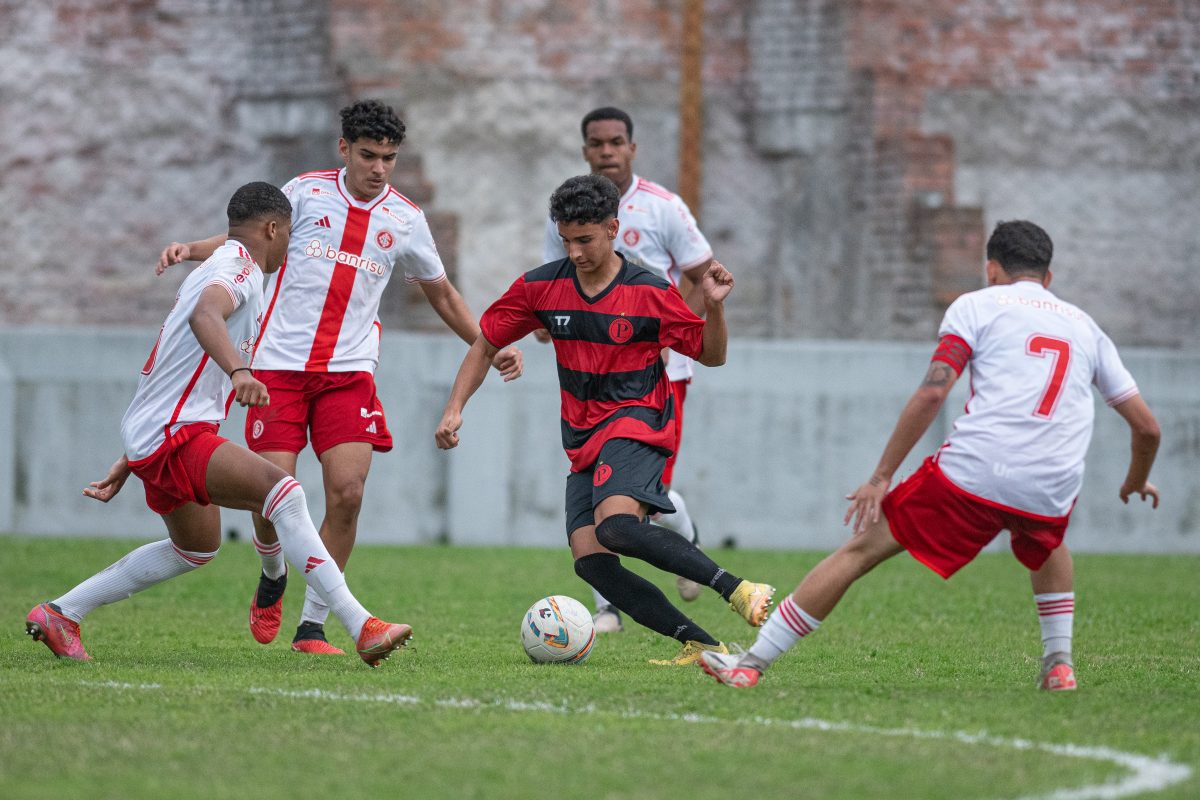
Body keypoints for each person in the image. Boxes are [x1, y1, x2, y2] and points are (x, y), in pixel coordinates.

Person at [699, 220, 1161, 690]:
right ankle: (1060, 664)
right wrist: (1135, 479)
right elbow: (1146, 426)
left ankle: (751, 664)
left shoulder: (978, 305)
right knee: (1047, 538)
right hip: (1051, 482)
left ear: (992, 269)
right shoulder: (1086, 326)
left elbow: (933, 392)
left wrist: (880, 477)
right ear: (1049, 276)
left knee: (861, 550)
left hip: (975, 473)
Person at [157, 100, 522, 655]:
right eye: (369, 155)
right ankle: (273, 570)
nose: (379, 168)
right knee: (271, 502)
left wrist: (486, 347)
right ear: (344, 149)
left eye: (389, 158)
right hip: (276, 369)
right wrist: (192, 249)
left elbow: (442, 292)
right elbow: (248, 240)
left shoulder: (405, 219)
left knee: (347, 494)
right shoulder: (305, 192)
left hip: (348, 374)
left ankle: (312, 626)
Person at [25, 182, 412, 666]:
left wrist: (133, 458)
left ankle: (63, 612)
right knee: (285, 494)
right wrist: (241, 372)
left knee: (196, 548)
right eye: (288, 236)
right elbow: (206, 315)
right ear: (273, 229)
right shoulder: (240, 269)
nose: (289, 247)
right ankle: (361, 625)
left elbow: (176, 362)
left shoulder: (218, 262)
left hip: (155, 433)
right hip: (172, 434)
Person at [436, 174, 775, 666]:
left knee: (616, 527)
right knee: (592, 561)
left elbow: (711, 354)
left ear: (613, 228)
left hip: (639, 420)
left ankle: (738, 588)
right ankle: (703, 643)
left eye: (585, 239)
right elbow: (486, 342)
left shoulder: (649, 291)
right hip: (582, 435)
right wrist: (454, 408)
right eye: (566, 240)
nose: (575, 252)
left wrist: (716, 311)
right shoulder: (541, 287)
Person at [542, 106, 715, 632]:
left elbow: (701, 271)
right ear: (585, 150)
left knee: (642, 497)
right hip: (590, 379)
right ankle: (605, 609)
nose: (607, 151)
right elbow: (556, 279)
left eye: (617, 142)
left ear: (632, 149)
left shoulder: (663, 207)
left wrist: (666, 333)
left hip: (657, 376)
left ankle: (687, 538)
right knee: (601, 495)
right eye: (597, 143)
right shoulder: (571, 210)